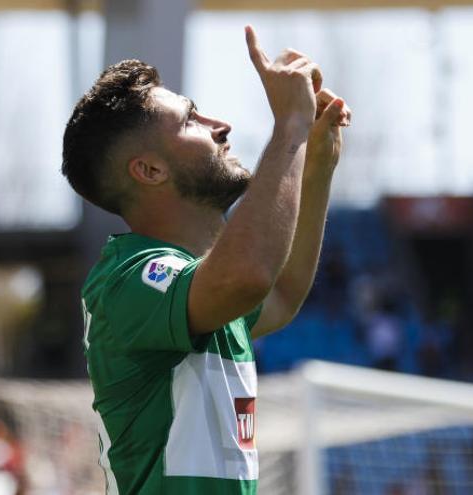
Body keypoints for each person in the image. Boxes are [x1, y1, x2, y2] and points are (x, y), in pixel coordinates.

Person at [60, 26, 351, 494]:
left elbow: (279, 292)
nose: (222, 125)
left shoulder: (201, 290)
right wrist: (290, 127)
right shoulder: (124, 280)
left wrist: (318, 158)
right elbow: (250, 276)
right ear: (150, 170)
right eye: (191, 119)